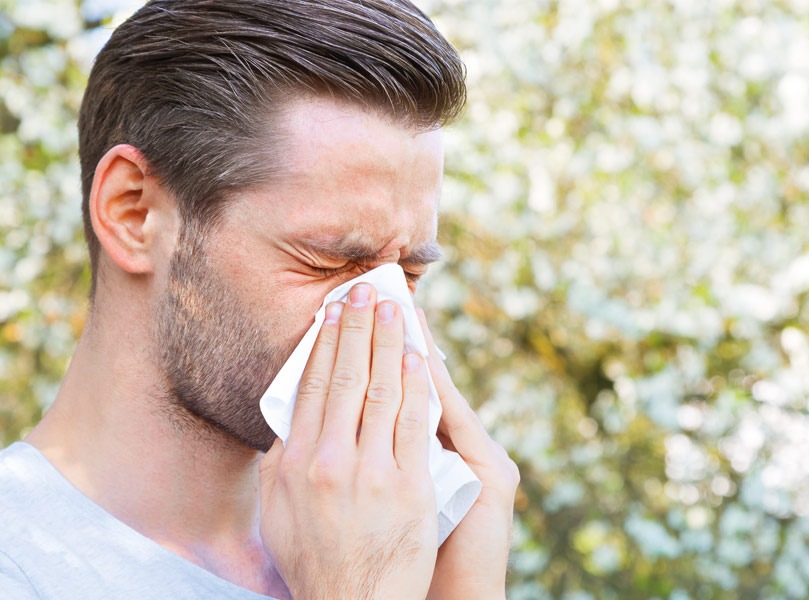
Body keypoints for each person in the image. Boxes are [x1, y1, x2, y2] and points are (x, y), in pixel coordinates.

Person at [0, 1, 520, 598]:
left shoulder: (408, 549)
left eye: (406, 271)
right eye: (325, 260)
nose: (383, 316)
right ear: (133, 213)